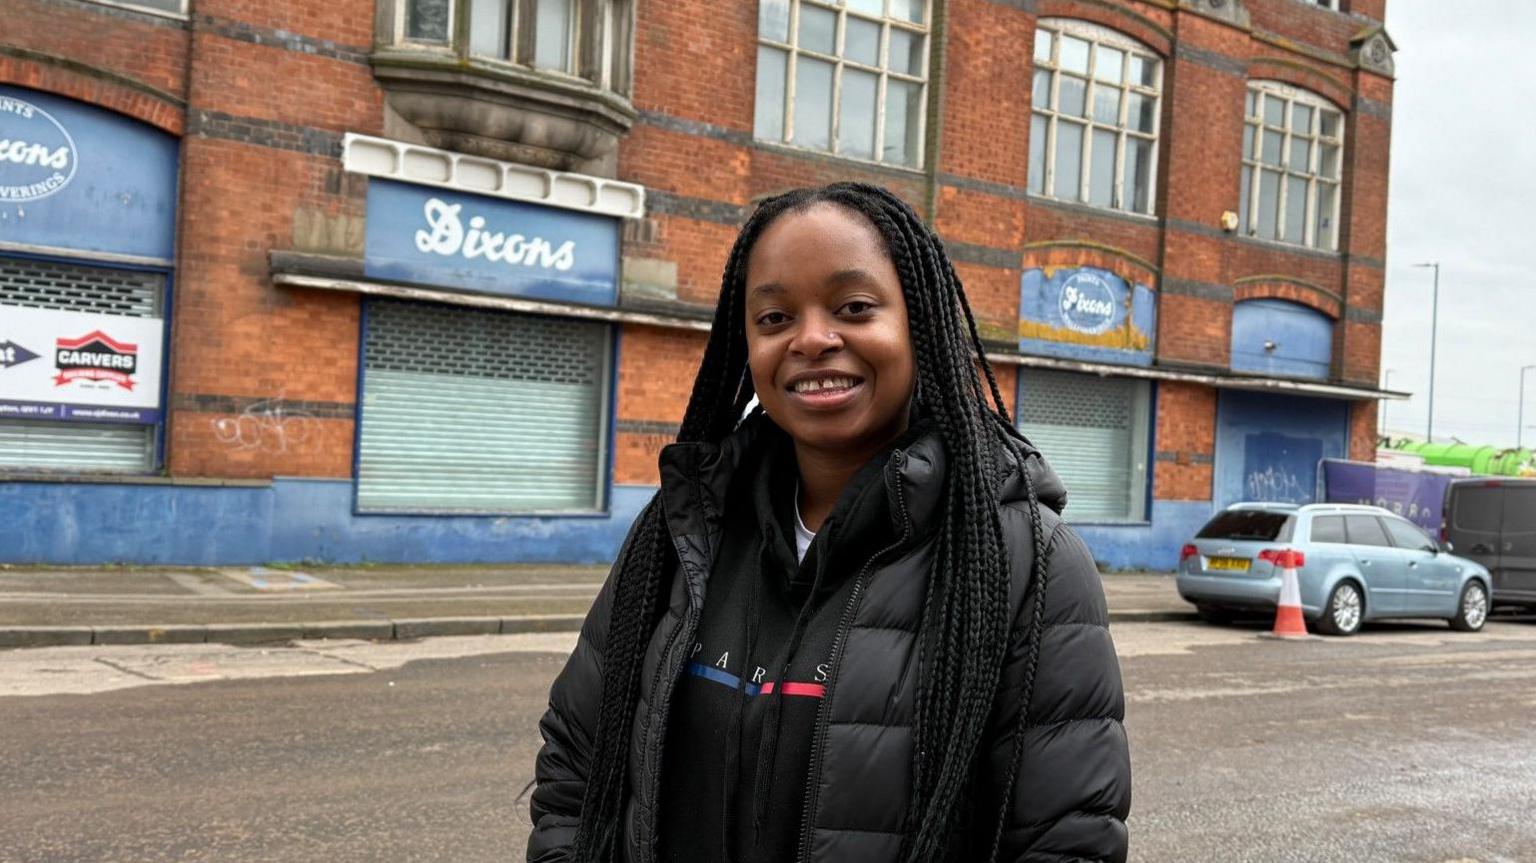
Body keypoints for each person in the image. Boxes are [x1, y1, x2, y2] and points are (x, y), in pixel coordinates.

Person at [527, 183, 1130, 863]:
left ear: (920, 327)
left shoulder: (1027, 562)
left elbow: (1067, 842)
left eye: (855, 307)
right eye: (775, 317)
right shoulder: (682, 531)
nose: (812, 338)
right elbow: (577, 767)